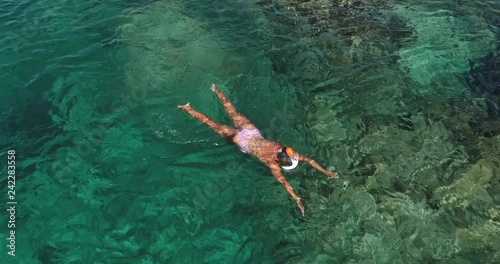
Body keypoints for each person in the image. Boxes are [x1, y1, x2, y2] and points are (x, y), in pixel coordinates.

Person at [178, 84, 338, 216]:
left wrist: (298, 197)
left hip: (249, 132)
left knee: (227, 113)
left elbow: (296, 173)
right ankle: (192, 105)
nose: (285, 150)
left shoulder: (279, 158)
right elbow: (292, 178)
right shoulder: (275, 163)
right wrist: (326, 174)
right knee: (214, 122)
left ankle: (211, 92)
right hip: (243, 140)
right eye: (288, 151)